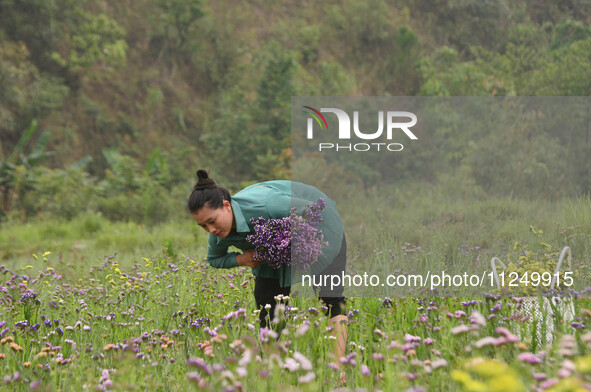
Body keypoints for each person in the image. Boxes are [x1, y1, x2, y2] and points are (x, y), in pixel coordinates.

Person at [188, 169, 348, 360]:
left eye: (212, 221)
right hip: (272, 245)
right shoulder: (217, 237)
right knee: (267, 308)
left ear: (227, 206)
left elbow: (315, 209)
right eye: (203, 226)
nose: (211, 229)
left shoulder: (268, 205)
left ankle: (339, 372)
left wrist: (297, 242)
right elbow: (214, 259)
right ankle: (275, 374)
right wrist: (242, 259)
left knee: (330, 300)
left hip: (321, 231)